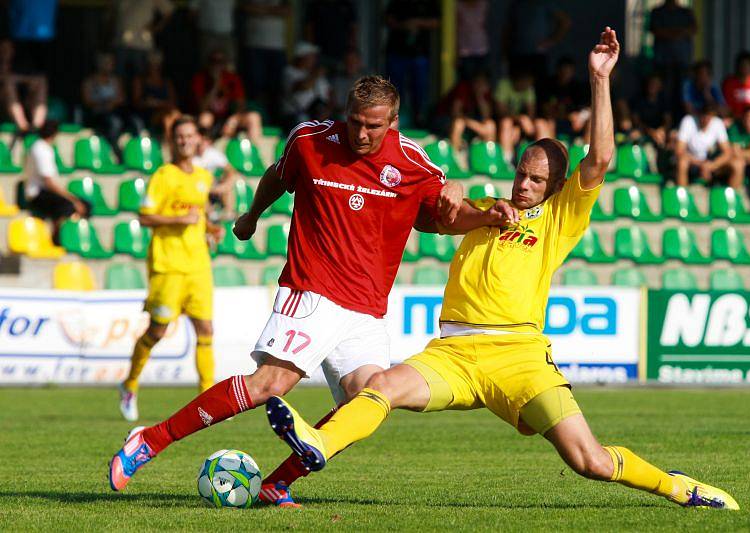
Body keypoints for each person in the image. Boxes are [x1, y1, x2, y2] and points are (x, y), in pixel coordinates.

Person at [264, 29, 740, 512]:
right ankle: (311, 448)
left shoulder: (560, 217)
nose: (525, 185)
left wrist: (599, 79)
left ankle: (679, 487)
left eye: (537, 180)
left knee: (589, 461)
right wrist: (455, 188)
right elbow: (440, 206)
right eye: (521, 174)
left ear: (556, 186)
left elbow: (598, 159)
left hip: (520, 356)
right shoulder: (488, 207)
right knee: (379, 387)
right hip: (455, 354)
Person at [108, 76, 514, 506]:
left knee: (368, 399)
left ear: (393, 122)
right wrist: (251, 216)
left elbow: (440, 217)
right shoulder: (310, 141)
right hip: (311, 288)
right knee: (270, 385)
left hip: (367, 309)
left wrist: (484, 213)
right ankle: (150, 439)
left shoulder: (411, 162)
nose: (361, 134)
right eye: (355, 122)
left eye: (374, 127)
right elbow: (277, 176)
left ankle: (275, 483)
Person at [118, 116, 222, 423]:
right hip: (168, 266)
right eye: (179, 137)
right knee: (158, 330)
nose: (185, 141)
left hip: (198, 265)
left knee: (206, 329)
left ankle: (209, 397)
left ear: (198, 139)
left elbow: (197, 215)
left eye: (190, 136)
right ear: (172, 142)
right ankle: (130, 384)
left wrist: (209, 228)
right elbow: (145, 216)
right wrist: (179, 221)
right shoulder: (163, 175)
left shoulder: (204, 176)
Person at [24, 120, 90, 243]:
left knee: (84, 204)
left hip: (41, 191)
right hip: (37, 194)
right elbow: (49, 182)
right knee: (69, 206)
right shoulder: (41, 150)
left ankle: (68, 236)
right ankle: (58, 238)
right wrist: (73, 200)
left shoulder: (39, 147)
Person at [385, 0, 440, 126]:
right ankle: (394, 121)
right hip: (397, 52)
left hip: (419, 54)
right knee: (394, 90)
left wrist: (418, 23)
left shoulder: (428, 3)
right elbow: (387, 19)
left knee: (420, 89)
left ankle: (419, 120)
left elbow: (436, 21)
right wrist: (405, 25)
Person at [191, 50, 261, 141]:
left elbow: (241, 106)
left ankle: (254, 151)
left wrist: (234, 119)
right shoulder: (200, 78)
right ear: (208, 63)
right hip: (210, 117)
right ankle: (202, 149)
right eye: (213, 61)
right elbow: (202, 108)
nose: (217, 65)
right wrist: (216, 84)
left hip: (228, 118)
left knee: (254, 117)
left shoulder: (233, 78)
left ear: (225, 64)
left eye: (220, 61)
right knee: (206, 118)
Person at [240, 0, 291, 122]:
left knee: (276, 88)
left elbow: (288, 11)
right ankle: (256, 120)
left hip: (277, 46)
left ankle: (274, 122)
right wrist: (273, 10)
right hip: (254, 44)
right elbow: (245, 6)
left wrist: (260, 10)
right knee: (255, 87)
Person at [675, 104, 743, 188]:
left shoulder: (717, 123)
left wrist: (712, 165)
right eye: (704, 116)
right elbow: (679, 151)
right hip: (692, 163)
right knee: (682, 162)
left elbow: (727, 152)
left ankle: (732, 196)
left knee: (738, 164)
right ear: (699, 114)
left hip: (711, 162)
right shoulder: (688, 121)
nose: (706, 120)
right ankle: (682, 194)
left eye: (709, 117)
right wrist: (701, 164)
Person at [506, 0, 571, 86]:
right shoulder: (516, 4)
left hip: (537, 55)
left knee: (539, 88)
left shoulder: (544, 2)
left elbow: (565, 21)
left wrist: (551, 40)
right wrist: (504, 52)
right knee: (515, 88)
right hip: (517, 54)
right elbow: (507, 29)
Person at [649, 0, 696, 116]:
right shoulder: (658, 11)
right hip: (663, 62)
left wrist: (671, 33)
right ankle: (665, 119)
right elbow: (656, 30)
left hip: (682, 61)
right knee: (664, 93)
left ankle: (680, 120)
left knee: (682, 92)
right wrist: (678, 32)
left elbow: (693, 29)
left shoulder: (686, 12)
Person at [111, 0, 174, 82]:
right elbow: (112, 13)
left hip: (141, 44)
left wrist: (156, 28)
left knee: (140, 76)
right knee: (118, 76)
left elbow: (169, 11)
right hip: (121, 43)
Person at [435, 71, 496, 152]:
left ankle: (487, 159)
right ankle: (455, 156)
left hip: (468, 122)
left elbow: (486, 116)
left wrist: (480, 96)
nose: (481, 85)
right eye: (478, 81)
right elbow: (455, 114)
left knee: (490, 125)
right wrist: (477, 127)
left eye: (483, 83)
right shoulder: (463, 88)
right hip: (444, 119)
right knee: (459, 124)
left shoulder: (484, 93)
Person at [81, 52, 126, 159]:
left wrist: (112, 103)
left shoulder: (115, 81)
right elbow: (87, 101)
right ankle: (114, 148)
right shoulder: (90, 81)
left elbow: (122, 98)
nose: (109, 66)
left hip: (114, 112)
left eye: (111, 63)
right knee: (114, 122)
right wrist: (105, 103)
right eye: (106, 63)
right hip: (96, 114)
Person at [0, 39, 47, 133]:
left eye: (10, 48)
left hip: (25, 103)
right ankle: (23, 126)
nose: (8, 51)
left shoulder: (17, 66)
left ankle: (36, 126)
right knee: (9, 83)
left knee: (40, 80)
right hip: (5, 104)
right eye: (4, 49)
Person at [282, 42, 332, 126]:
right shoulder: (289, 72)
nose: (314, 59)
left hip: (320, 113)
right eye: (311, 56)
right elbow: (304, 86)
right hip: (296, 114)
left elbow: (330, 93)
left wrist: (328, 109)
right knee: (302, 119)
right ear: (302, 57)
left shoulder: (313, 72)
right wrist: (316, 74)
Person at [194, 127, 239, 219]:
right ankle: (210, 215)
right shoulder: (190, 157)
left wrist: (225, 185)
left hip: (210, 185)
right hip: (197, 187)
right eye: (199, 142)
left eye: (204, 141)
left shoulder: (213, 154)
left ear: (209, 142)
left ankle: (228, 214)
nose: (201, 145)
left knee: (228, 187)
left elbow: (231, 170)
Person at [495, 66, 538, 161]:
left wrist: (519, 128)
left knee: (541, 124)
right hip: (499, 123)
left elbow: (531, 115)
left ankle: (543, 160)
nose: (528, 85)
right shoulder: (504, 85)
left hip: (519, 126)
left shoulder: (529, 89)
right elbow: (500, 112)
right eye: (526, 82)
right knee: (506, 123)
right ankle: (506, 161)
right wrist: (520, 119)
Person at [131, 51, 178, 136]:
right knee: (167, 119)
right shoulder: (140, 81)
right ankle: (168, 144)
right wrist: (149, 103)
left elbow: (173, 103)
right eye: (152, 63)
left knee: (175, 115)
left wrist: (156, 103)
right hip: (147, 114)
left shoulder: (166, 82)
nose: (155, 66)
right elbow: (136, 103)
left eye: (157, 63)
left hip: (165, 111)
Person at [303, 0, 358, 73]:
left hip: (342, 51)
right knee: (321, 76)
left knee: (340, 75)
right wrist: (311, 49)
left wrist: (352, 49)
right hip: (320, 51)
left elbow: (353, 28)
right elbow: (309, 28)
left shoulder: (347, 5)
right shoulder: (315, 5)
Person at [189, 0, 237, 68]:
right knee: (206, 65)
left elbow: (233, 8)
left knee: (229, 64)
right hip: (207, 34)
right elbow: (192, 12)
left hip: (227, 33)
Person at [456, 0, 489, 80]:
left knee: (481, 80)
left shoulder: (483, 4)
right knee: (467, 80)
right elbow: (455, 29)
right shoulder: (458, 5)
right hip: (465, 51)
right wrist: (456, 51)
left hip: (482, 49)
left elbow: (487, 25)